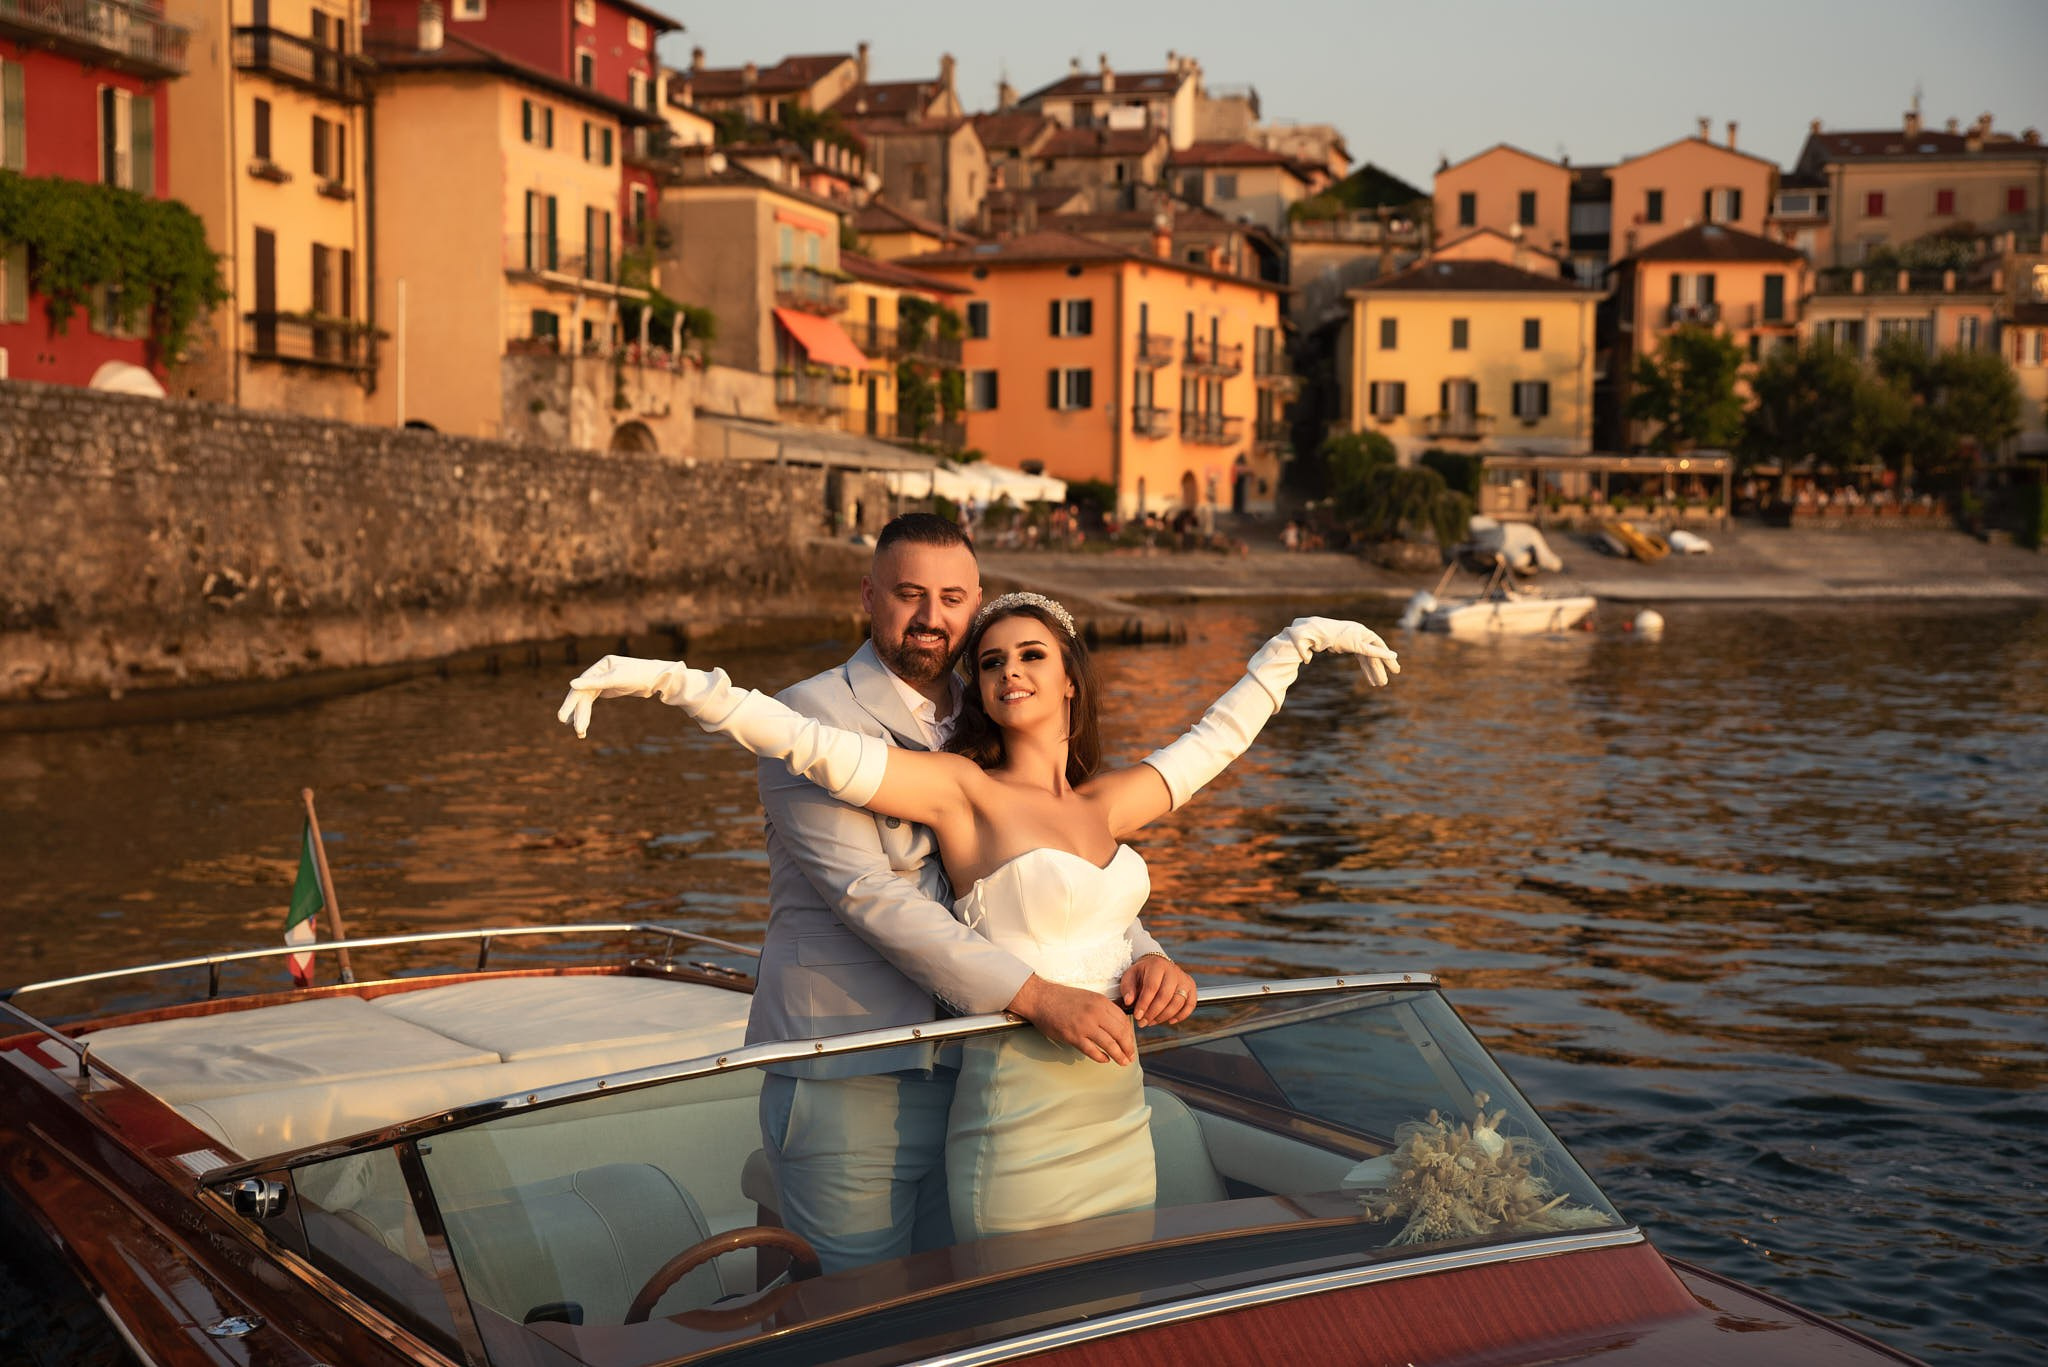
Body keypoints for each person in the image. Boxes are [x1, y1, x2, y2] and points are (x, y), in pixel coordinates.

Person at [560, 590, 1400, 1246]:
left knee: (1119, 1319)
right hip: (1019, 1112)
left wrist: (1296, 645)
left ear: (1071, 674)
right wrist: (675, 682)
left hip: (1117, 1105)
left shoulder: (1108, 802)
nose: (1008, 673)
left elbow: (1218, 739)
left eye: (1031, 654)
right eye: (992, 661)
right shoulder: (961, 792)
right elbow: (809, 745)